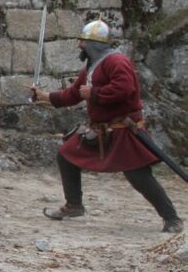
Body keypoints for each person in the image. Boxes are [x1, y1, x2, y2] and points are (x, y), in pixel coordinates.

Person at [32, 20, 182, 233]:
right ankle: (74, 206)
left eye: (83, 41)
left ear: (94, 43)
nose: (79, 45)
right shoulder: (92, 66)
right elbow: (73, 94)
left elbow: (124, 89)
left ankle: (172, 219)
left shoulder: (117, 61)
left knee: (138, 176)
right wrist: (44, 96)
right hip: (101, 131)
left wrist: (94, 93)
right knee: (66, 155)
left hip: (124, 130)